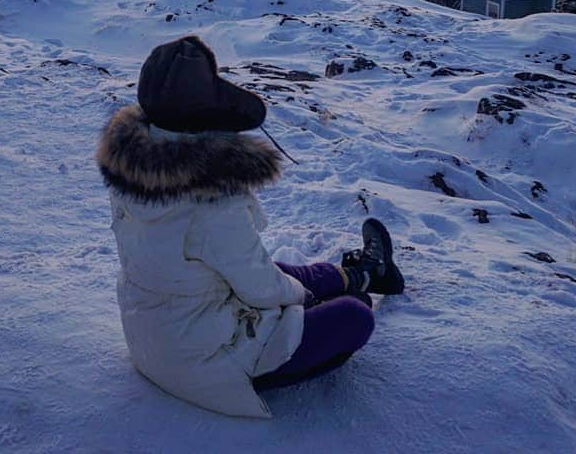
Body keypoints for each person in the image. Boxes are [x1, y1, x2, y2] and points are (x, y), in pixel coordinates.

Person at [96, 35, 403, 418]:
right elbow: (259, 288)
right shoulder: (209, 201)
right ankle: (363, 281)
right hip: (208, 359)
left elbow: (243, 269)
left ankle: (363, 273)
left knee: (282, 271)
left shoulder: (133, 171)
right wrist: (303, 298)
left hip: (155, 336)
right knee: (354, 314)